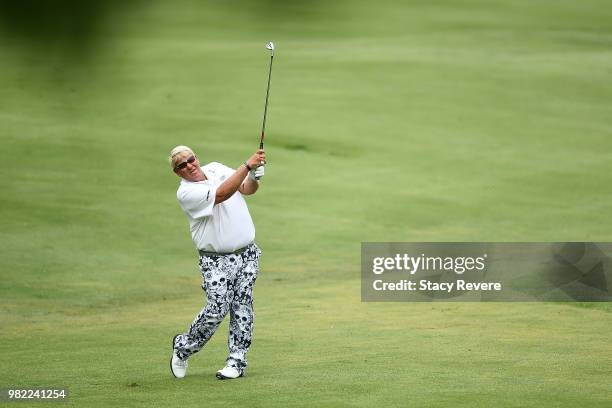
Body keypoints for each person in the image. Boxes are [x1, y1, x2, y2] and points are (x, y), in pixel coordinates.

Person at [168, 145, 266, 380]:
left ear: (196, 158)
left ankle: (236, 362)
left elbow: (245, 188)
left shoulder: (216, 168)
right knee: (217, 308)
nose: (189, 165)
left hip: (247, 253)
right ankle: (183, 348)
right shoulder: (186, 193)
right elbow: (222, 194)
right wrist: (247, 165)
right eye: (182, 165)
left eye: (190, 159)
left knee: (242, 307)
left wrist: (254, 176)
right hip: (215, 260)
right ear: (177, 172)